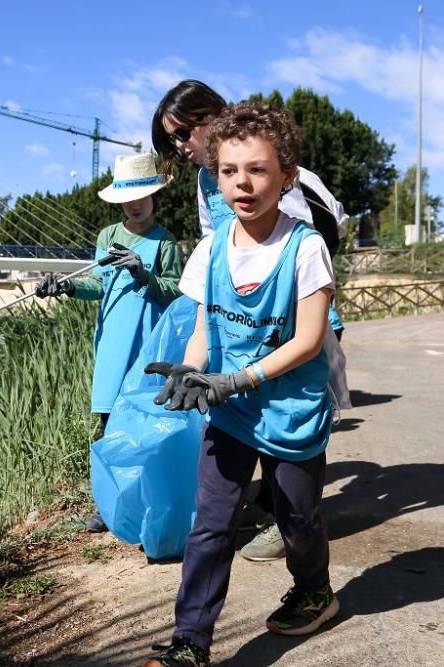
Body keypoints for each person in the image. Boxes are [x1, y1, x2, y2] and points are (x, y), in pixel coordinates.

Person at [141, 102, 338, 667]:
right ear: (216, 174)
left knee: (298, 518)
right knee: (211, 525)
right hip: (229, 411)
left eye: (256, 169)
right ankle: (190, 642)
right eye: (229, 171)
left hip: (290, 411)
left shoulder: (305, 248)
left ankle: (314, 589)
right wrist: (194, 369)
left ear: (287, 176)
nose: (242, 183)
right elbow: (206, 324)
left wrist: (240, 378)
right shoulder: (212, 246)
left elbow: (306, 341)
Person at [35, 152, 183, 533]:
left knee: (146, 423)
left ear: (155, 198)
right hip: (113, 345)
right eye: (127, 199)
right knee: (108, 424)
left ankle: (148, 502)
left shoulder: (166, 242)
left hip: (149, 345)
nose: (135, 205)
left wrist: (143, 273)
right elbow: (98, 285)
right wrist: (66, 286)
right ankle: (108, 504)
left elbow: (176, 295)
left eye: (142, 196)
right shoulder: (107, 237)